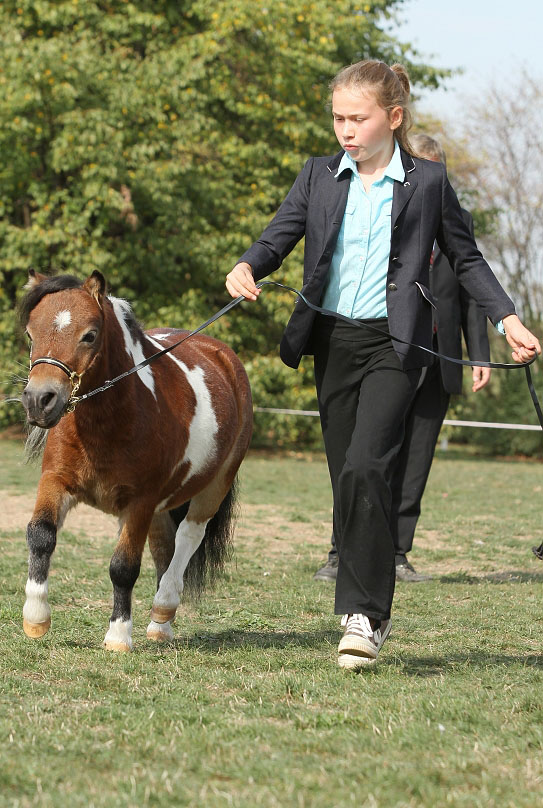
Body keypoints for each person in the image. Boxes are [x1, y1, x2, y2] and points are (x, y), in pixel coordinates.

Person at [225, 60, 540, 669]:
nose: (345, 129)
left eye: (358, 118)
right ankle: (359, 605)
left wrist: (508, 319)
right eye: (338, 117)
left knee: (371, 463)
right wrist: (247, 266)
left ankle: (366, 616)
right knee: (348, 474)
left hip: (397, 346)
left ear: (392, 118)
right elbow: (279, 236)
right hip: (335, 342)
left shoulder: (428, 183)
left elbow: (466, 258)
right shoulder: (318, 176)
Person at [314, 133, 493, 584]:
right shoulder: (379, 210)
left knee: (415, 460)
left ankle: (397, 551)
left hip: (439, 359)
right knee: (365, 455)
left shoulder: (456, 218)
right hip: (387, 347)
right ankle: (342, 549)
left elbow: (471, 292)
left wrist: (481, 355)